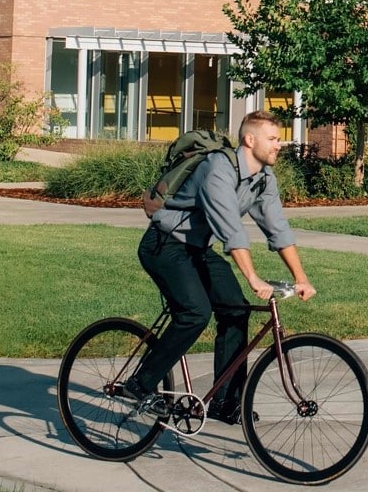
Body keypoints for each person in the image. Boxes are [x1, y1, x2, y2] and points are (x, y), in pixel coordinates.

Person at [124, 110, 316, 423]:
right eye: (272, 138)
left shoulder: (263, 179)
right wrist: (252, 277)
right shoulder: (218, 168)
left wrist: (301, 277)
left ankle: (225, 402)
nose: (278, 145)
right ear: (249, 139)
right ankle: (140, 384)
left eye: (278, 139)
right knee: (195, 313)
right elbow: (230, 229)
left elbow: (277, 228)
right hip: (165, 245)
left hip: (198, 248)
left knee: (235, 310)